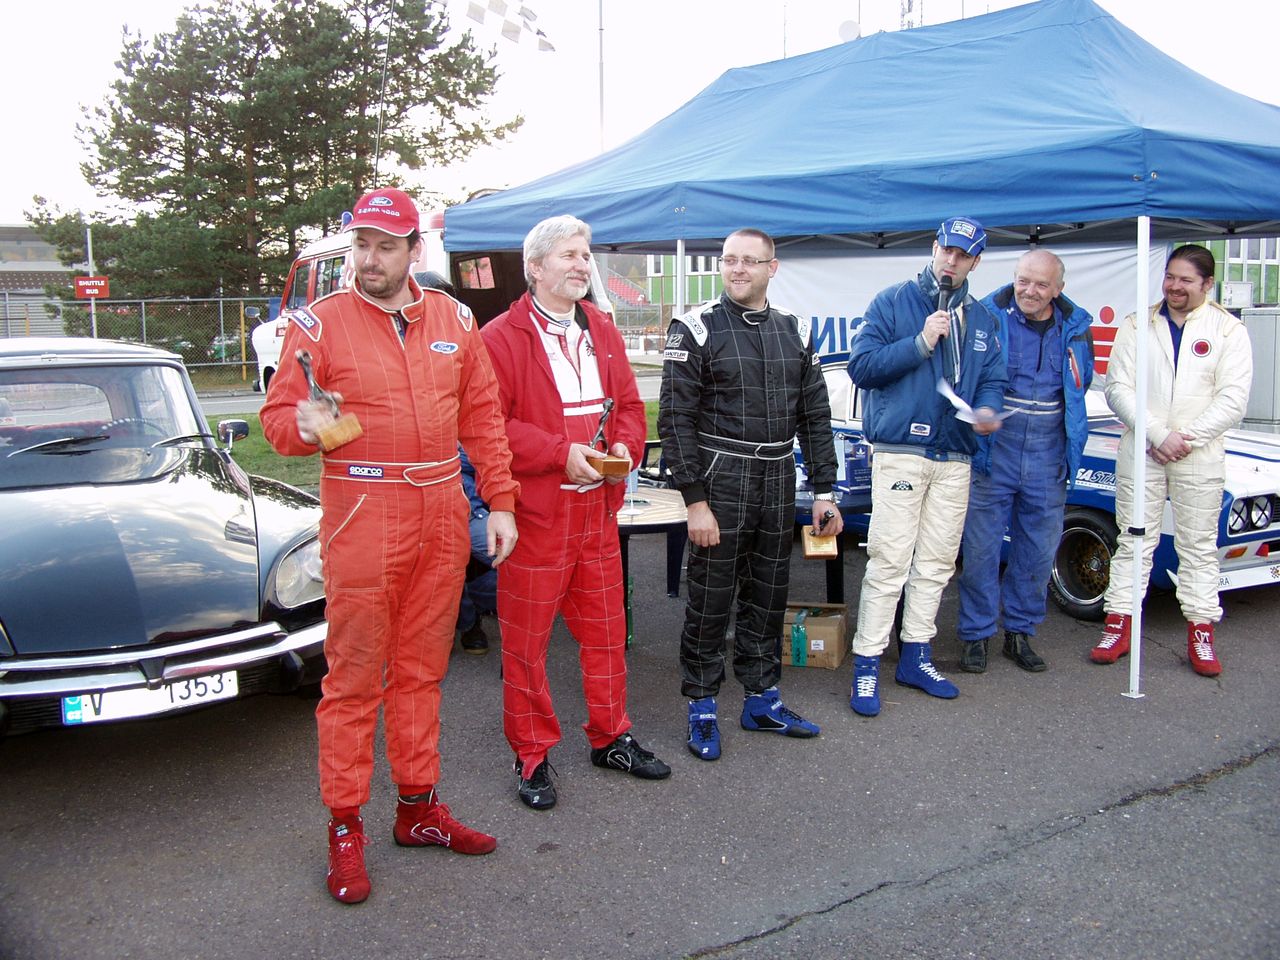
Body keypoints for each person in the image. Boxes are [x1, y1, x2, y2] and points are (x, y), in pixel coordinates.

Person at [260, 187, 519, 905]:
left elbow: (482, 416)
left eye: (384, 246)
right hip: (363, 512)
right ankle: (345, 826)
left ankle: (417, 808)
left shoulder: (455, 319)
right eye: (361, 246)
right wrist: (304, 424)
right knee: (352, 681)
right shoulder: (318, 324)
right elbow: (278, 422)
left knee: (421, 672)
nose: (369, 260)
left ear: (413, 250)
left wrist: (500, 501)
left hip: (441, 510)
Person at [481, 214, 670, 811]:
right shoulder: (499, 337)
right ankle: (531, 754)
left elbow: (631, 408)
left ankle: (610, 736)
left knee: (608, 634)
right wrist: (559, 453)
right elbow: (488, 427)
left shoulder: (602, 327)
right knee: (526, 645)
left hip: (597, 514)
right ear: (535, 267)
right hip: (538, 516)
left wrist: (624, 449)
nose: (583, 264)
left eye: (586, 255)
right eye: (569, 254)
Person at [659, 227, 843, 762]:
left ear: (772, 267)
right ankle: (702, 706)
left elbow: (815, 416)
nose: (737, 269)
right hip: (720, 477)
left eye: (749, 261)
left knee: (769, 595)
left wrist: (824, 489)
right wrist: (695, 499)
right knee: (710, 598)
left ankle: (762, 701)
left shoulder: (795, 330)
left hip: (779, 475)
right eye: (729, 260)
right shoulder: (695, 328)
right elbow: (675, 420)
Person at [846, 216, 1008, 717]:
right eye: (947, 250)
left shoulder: (983, 319)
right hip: (901, 451)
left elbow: (992, 380)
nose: (951, 261)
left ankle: (916, 655)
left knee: (937, 562)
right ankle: (868, 662)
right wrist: (920, 342)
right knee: (889, 560)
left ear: (976, 262)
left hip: (955, 454)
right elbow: (861, 368)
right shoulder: (893, 301)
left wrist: (987, 410)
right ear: (934, 248)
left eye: (963, 255)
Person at [1091, 244, 1252, 676]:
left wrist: (1184, 439)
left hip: (1198, 453)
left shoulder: (1228, 330)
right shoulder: (1137, 324)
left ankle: (1201, 632)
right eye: (1170, 276)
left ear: (1207, 284)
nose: (1174, 286)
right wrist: (1158, 434)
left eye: (1185, 279)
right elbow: (1117, 388)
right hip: (1143, 448)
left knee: (1197, 546)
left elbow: (1233, 400)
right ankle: (1119, 624)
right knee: (1134, 539)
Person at [955, 250, 1094, 674]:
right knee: (980, 551)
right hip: (994, 452)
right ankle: (976, 635)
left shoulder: (1077, 328)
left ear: (1058, 289)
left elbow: (1079, 384)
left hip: (1048, 456)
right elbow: (966, 375)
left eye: (1041, 284)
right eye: (1023, 281)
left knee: (1036, 553)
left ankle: (1019, 633)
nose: (1029, 291)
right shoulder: (986, 317)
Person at [455, 447, 498, 655]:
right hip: (434, 513)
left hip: (476, 511)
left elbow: (485, 455)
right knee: (444, 568)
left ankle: (475, 602)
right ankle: (467, 622)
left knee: (521, 561)